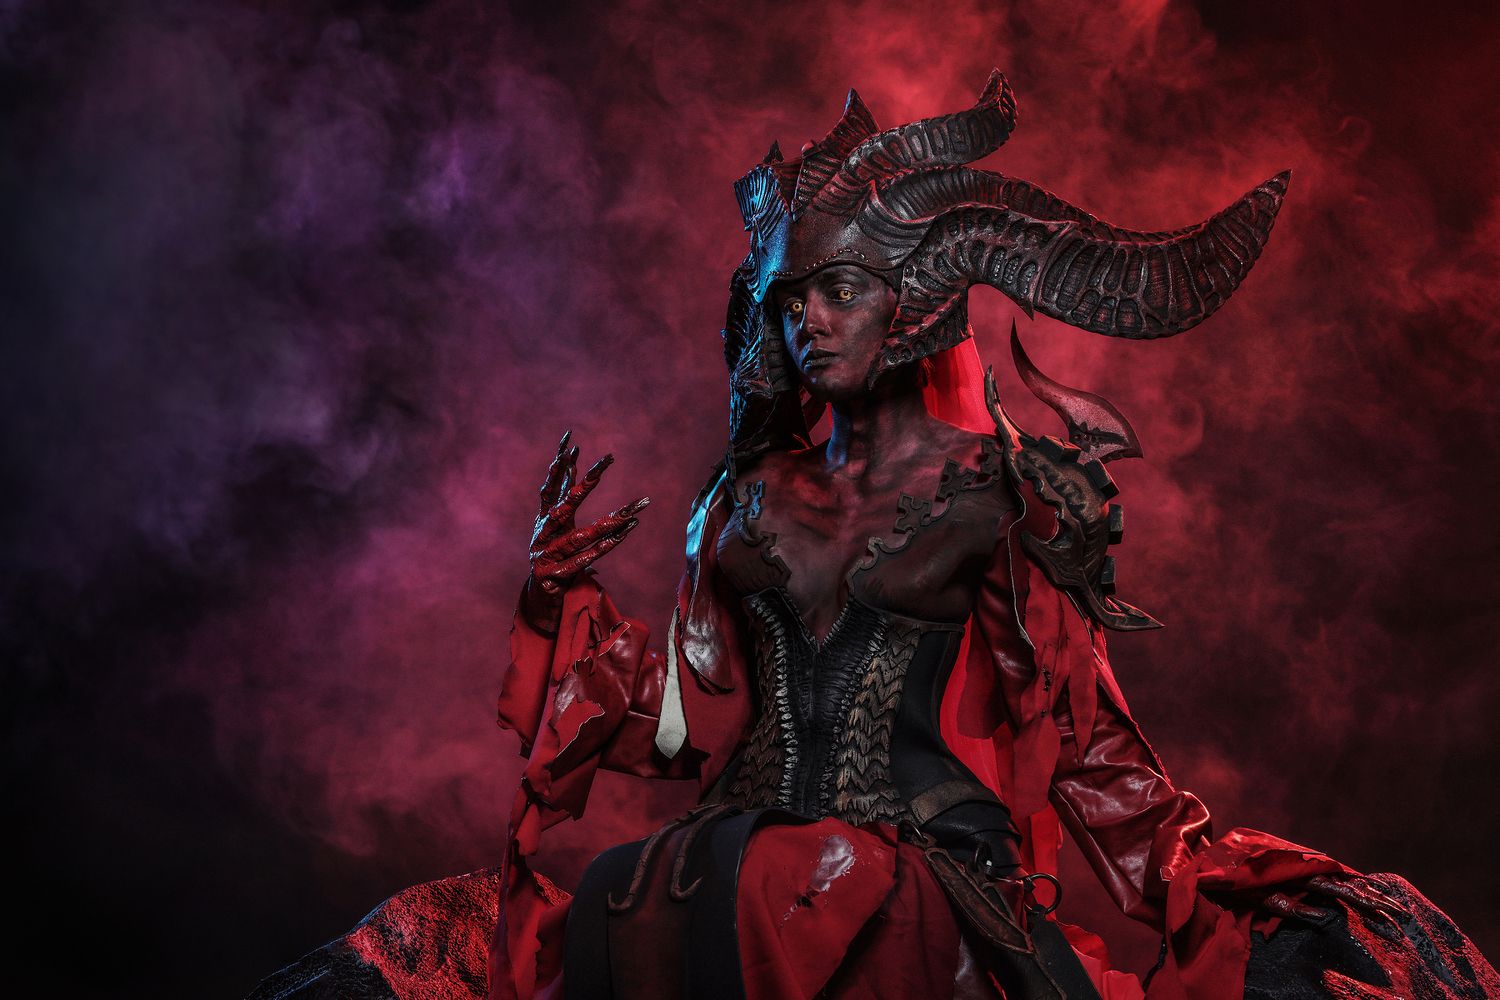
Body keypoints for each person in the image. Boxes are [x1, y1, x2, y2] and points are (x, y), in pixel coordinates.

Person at [487, 72, 1482, 1000]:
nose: (810, 323)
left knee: (786, 889)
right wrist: (553, 603)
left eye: (840, 291)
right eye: (790, 300)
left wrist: (1212, 877)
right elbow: (682, 726)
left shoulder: (994, 495)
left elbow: (1086, 742)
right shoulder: (743, 498)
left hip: (923, 867)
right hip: (725, 858)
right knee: (628, 903)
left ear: (911, 298)